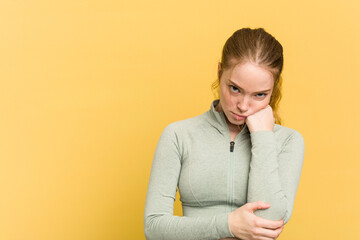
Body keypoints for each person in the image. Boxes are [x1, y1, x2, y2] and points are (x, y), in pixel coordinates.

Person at [144, 27, 305, 240]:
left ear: (272, 90)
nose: (243, 106)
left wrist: (263, 138)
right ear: (220, 72)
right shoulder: (178, 135)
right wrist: (228, 225)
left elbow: (269, 221)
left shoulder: (288, 141)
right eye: (235, 89)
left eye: (259, 95)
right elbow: (154, 227)